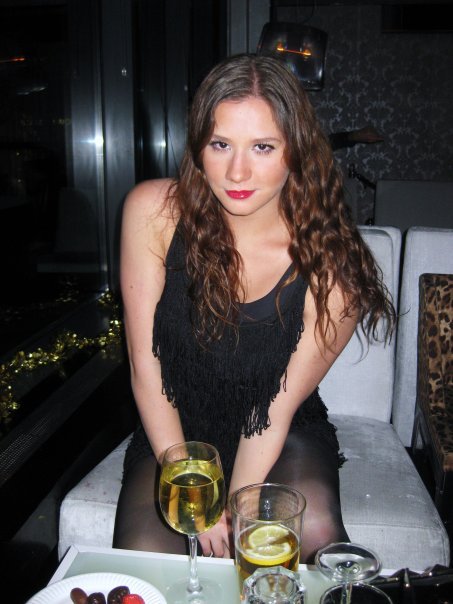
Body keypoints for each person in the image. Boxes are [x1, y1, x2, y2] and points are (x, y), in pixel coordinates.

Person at [113, 54, 395, 563]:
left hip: (278, 431)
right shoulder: (153, 213)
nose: (237, 171)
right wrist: (191, 484)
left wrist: (233, 507)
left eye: (263, 147)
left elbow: (277, 409)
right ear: (198, 146)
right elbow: (145, 369)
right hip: (175, 431)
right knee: (146, 561)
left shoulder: (334, 265)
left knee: (313, 535)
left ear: (296, 150)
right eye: (220, 144)